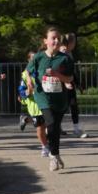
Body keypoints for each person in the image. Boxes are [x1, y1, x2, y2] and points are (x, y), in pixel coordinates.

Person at [27, 26, 74, 172]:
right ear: (45, 41)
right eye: (52, 38)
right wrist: (29, 81)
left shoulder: (65, 58)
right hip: (43, 97)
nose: (55, 40)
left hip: (59, 99)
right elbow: (28, 70)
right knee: (51, 124)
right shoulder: (39, 57)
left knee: (55, 129)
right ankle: (53, 157)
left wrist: (57, 75)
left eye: (57, 38)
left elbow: (70, 78)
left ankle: (56, 153)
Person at [18, 51, 49, 156]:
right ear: (29, 60)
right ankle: (44, 147)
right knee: (41, 126)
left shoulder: (43, 70)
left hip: (46, 102)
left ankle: (26, 119)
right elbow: (21, 90)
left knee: (48, 124)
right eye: (32, 58)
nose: (35, 61)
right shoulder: (25, 75)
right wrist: (27, 92)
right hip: (34, 104)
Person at [60, 33, 89, 139]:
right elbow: (60, 69)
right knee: (63, 106)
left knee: (73, 105)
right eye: (74, 42)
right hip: (63, 83)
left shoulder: (69, 53)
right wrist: (64, 82)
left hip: (70, 81)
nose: (75, 44)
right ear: (71, 42)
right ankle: (56, 126)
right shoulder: (62, 52)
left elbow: (72, 71)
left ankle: (76, 128)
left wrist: (78, 84)